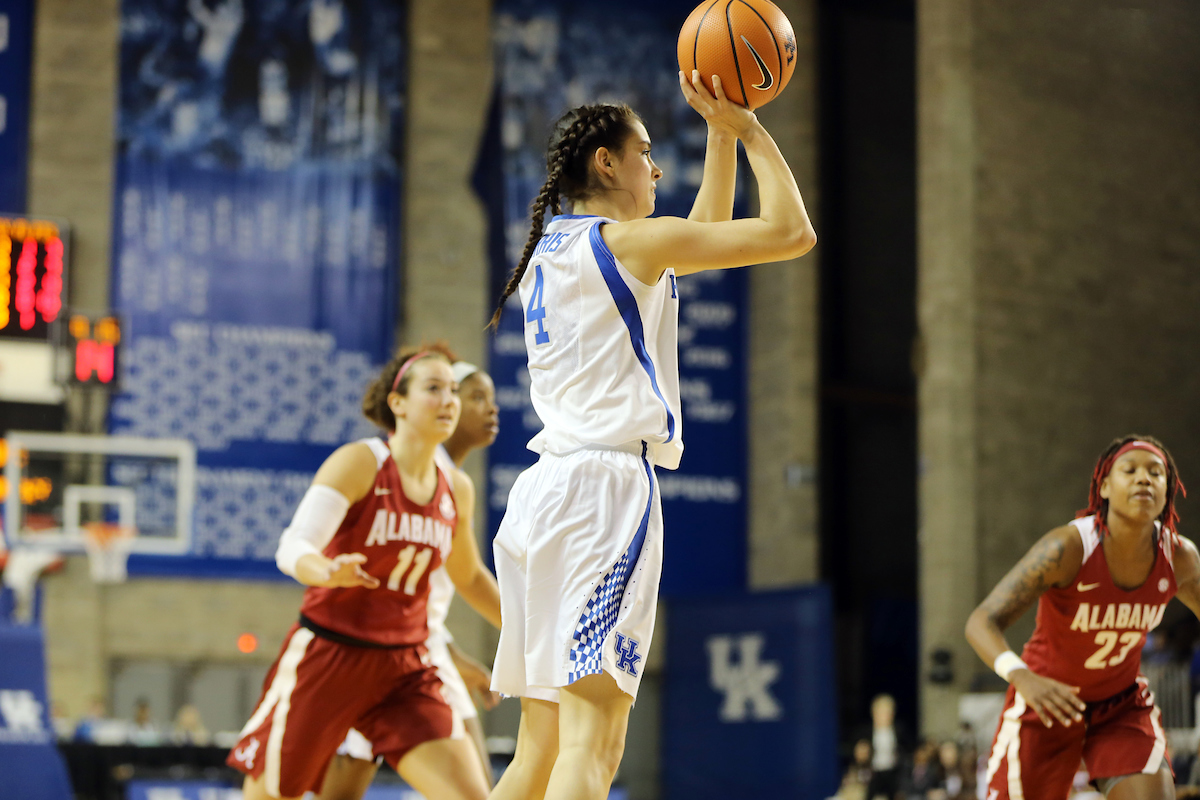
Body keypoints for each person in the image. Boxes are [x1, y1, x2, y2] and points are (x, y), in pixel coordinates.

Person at [484, 70, 815, 800]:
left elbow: (700, 233)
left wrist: (720, 137)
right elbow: (792, 233)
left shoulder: (556, 250)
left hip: (541, 499)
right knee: (592, 749)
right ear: (607, 162)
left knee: (538, 753)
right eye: (645, 152)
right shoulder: (632, 244)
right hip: (604, 494)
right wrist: (753, 127)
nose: (658, 168)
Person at [226, 346, 502, 800]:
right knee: (273, 794)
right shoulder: (361, 462)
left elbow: (469, 576)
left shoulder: (457, 487)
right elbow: (293, 546)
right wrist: (326, 570)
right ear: (398, 403)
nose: (449, 401)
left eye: (453, 390)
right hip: (333, 654)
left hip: (406, 667)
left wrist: (530, 634)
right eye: (434, 389)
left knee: (472, 795)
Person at [966, 434, 1200, 800]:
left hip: (1121, 703)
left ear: (1168, 490)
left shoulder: (1180, 557)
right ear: (1104, 486)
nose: (1144, 479)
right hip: (1048, 699)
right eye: (1131, 470)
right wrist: (1021, 676)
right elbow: (981, 621)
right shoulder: (1068, 547)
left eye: (1156, 473)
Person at [316, 361, 502, 799]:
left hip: (413, 649)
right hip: (371, 648)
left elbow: (452, 581)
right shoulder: (397, 467)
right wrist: (534, 633)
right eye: (475, 397)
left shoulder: (453, 484)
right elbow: (457, 579)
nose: (487, 410)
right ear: (404, 404)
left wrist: (457, 652)